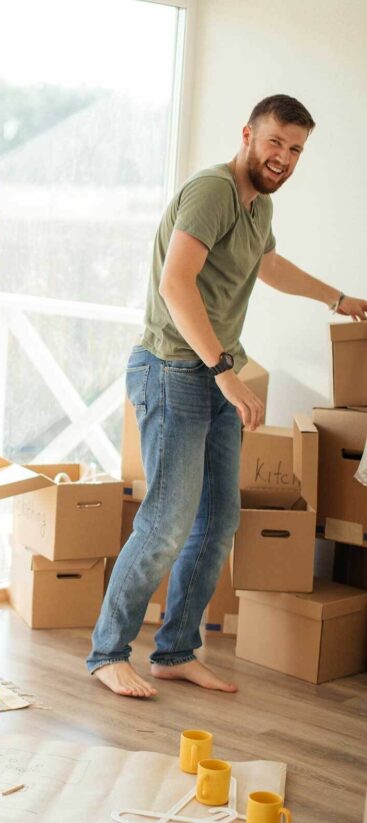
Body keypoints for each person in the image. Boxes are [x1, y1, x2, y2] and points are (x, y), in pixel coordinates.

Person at [87, 94, 367, 699]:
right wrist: (223, 370)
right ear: (248, 134)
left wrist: (336, 298)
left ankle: (176, 651)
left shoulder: (257, 204)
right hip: (174, 370)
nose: (284, 158)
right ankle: (107, 653)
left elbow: (268, 266)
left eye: (295, 149)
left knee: (217, 521)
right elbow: (174, 282)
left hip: (213, 373)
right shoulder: (213, 190)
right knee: (165, 522)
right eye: (276, 143)